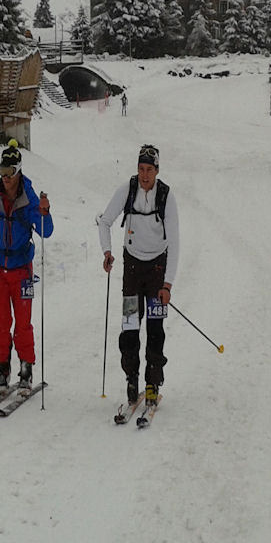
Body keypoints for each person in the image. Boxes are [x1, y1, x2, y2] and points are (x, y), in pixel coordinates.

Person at [0, 139, 53, 395]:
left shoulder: (29, 198)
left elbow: (46, 231)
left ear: (18, 171)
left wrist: (45, 213)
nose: (5, 177)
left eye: (10, 172)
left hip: (22, 270)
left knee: (23, 324)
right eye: (2, 171)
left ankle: (26, 369)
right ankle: (3, 369)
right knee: (0, 323)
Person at [96, 144, 180, 406]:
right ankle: (131, 378)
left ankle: (152, 382)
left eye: (149, 170)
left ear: (157, 171)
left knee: (155, 329)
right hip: (132, 269)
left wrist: (167, 284)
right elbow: (104, 221)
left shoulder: (166, 196)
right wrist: (107, 251)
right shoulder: (127, 190)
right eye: (141, 169)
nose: (145, 175)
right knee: (130, 327)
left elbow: (175, 242)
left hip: (157, 270)